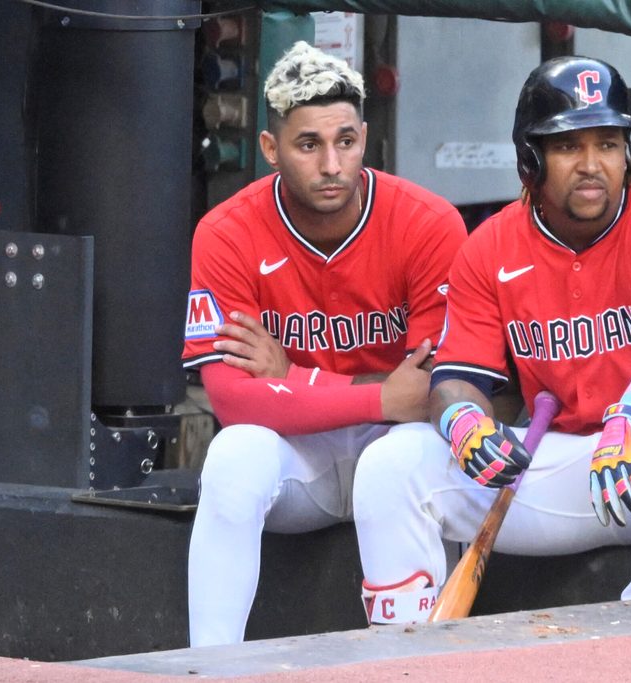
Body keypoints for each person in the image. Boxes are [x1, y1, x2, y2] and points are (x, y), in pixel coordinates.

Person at [351, 55, 631, 623]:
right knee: (391, 463)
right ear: (530, 158)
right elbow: (456, 378)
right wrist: (462, 421)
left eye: (609, 143)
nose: (593, 164)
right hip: (581, 467)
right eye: (570, 146)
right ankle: (401, 652)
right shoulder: (491, 246)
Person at [181, 41, 467, 646]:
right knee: (233, 458)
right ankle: (208, 665)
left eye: (345, 141)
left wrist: (293, 376)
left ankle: (406, 663)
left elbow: (431, 391)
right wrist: (378, 396)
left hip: (397, 452)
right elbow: (233, 401)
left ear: (364, 137)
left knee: (398, 460)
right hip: (300, 458)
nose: (332, 164)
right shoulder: (226, 232)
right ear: (270, 149)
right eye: (309, 145)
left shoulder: (427, 221)